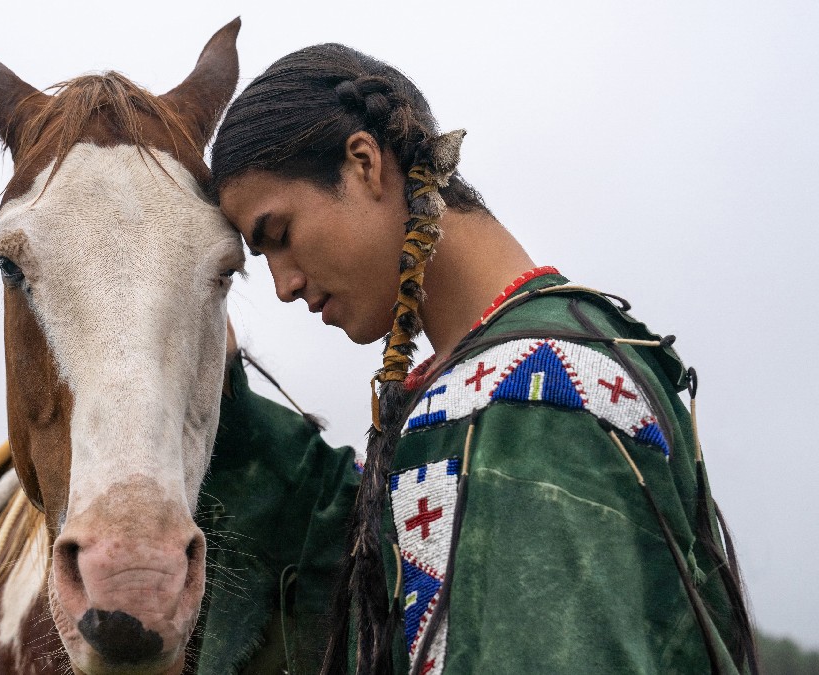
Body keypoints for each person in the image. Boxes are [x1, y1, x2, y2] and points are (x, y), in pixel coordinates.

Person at [209, 43, 757, 674]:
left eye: (278, 236)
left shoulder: (537, 391)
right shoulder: (493, 383)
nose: (282, 285)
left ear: (364, 163)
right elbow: (340, 525)